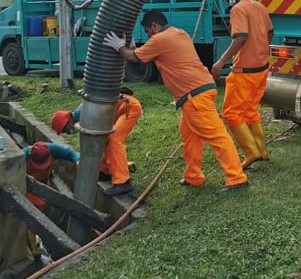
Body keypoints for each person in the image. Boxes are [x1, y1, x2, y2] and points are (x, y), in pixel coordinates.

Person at [104, 10, 249, 194]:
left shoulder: (160, 39)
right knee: (189, 136)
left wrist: (119, 47)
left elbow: (135, 58)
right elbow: (144, 53)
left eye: (148, 32)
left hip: (194, 96)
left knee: (217, 136)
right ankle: (193, 176)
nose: (149, 36)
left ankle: (237, 178)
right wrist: (131, 47)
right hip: (200, 90)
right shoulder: (180, 33)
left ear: (154, 27)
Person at [210, 0, 274, 170]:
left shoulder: (238, 9)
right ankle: (262, 151)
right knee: (250, 111)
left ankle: (251, 152)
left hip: (244, 72)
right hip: (261, 69)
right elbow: (270, 32)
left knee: (230, 113)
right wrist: (260, 48)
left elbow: (240, 38)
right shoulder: (259, 6)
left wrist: (221, 61)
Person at [52, 86, 143, 197]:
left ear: (67, 123)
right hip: (121, 108)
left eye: (65, 130)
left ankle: (123, 182)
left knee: (114, 139)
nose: (68, 132)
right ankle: (106, 172)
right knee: (105, 140)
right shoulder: (81, 116)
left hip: (129, 108)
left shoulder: (85, 115)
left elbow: (93, 145)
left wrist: (84, 163)